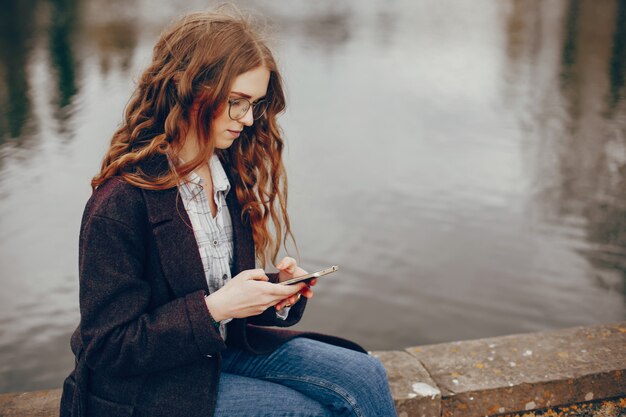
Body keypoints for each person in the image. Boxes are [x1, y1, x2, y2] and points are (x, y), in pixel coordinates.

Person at [59, 8, 398, 417]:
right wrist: (216, 308)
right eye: (236, 102)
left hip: (217, 352)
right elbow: (109, 345)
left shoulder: (229, 175)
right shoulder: (120, 203)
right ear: (188, 89)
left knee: (364, 375)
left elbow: (219, 292)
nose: (249, 119)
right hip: (144, 388)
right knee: (304, 413)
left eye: (254, 103)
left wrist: (276, 293)